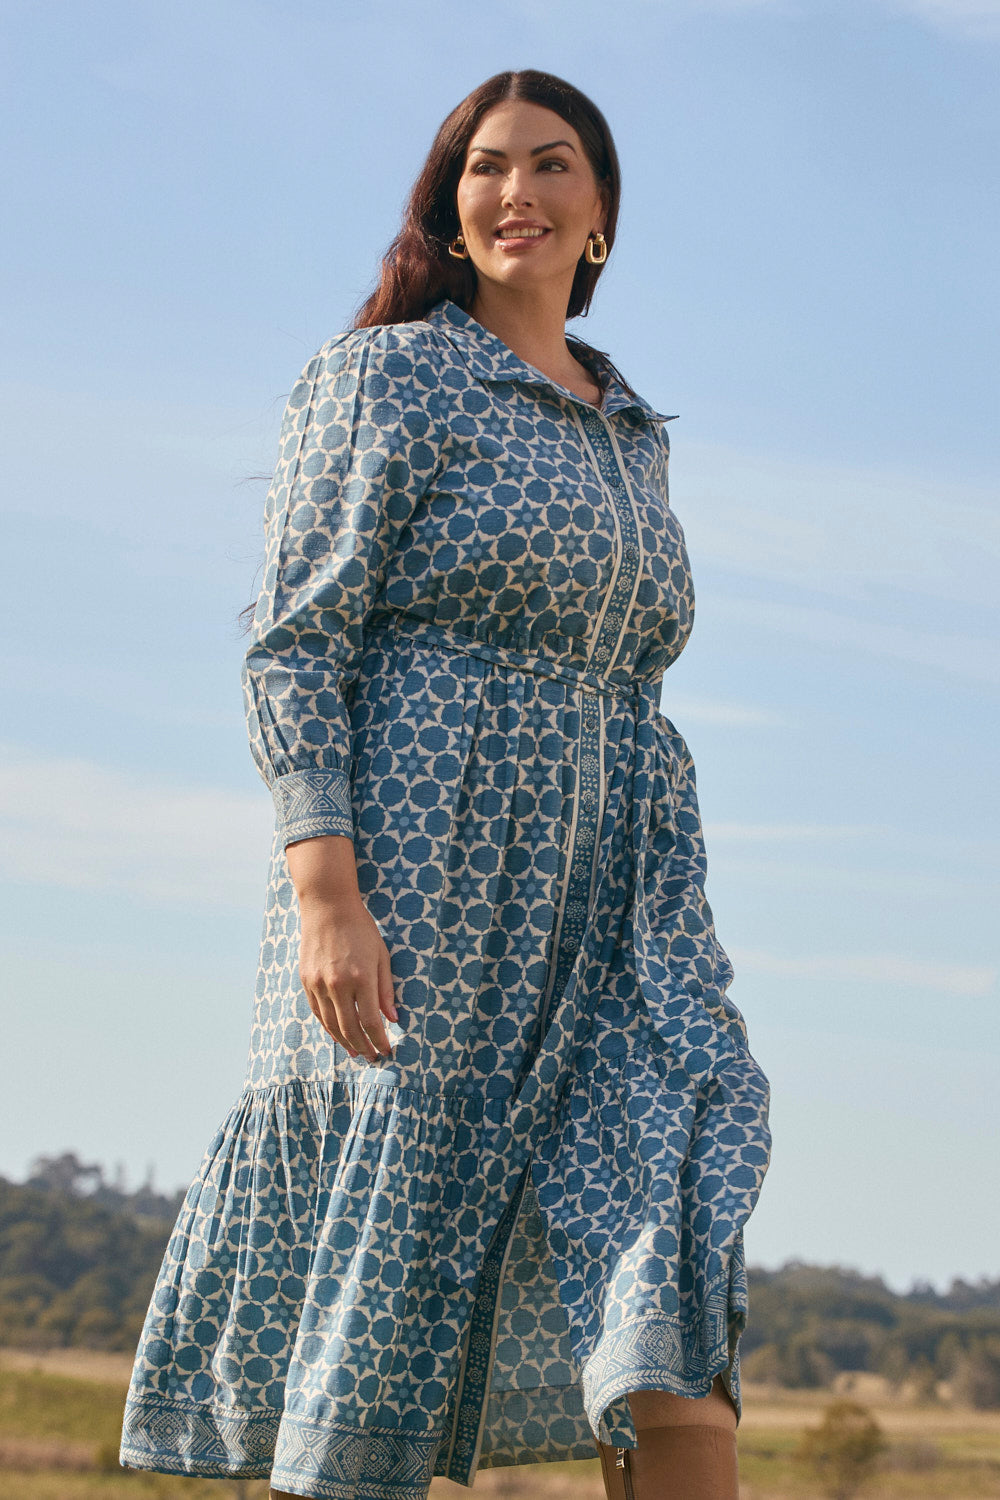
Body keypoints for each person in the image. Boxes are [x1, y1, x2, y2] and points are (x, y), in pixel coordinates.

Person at [119, 68, 771, 1500]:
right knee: (389, 1299)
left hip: (622, 914)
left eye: (552, 167)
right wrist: (325, 896)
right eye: (486, 168)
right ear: (450, 201)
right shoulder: (384, 378)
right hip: (427, 893)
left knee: (670, 1225)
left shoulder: (632, 431)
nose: (518, 193)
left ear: (601, 215)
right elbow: (296, 646)